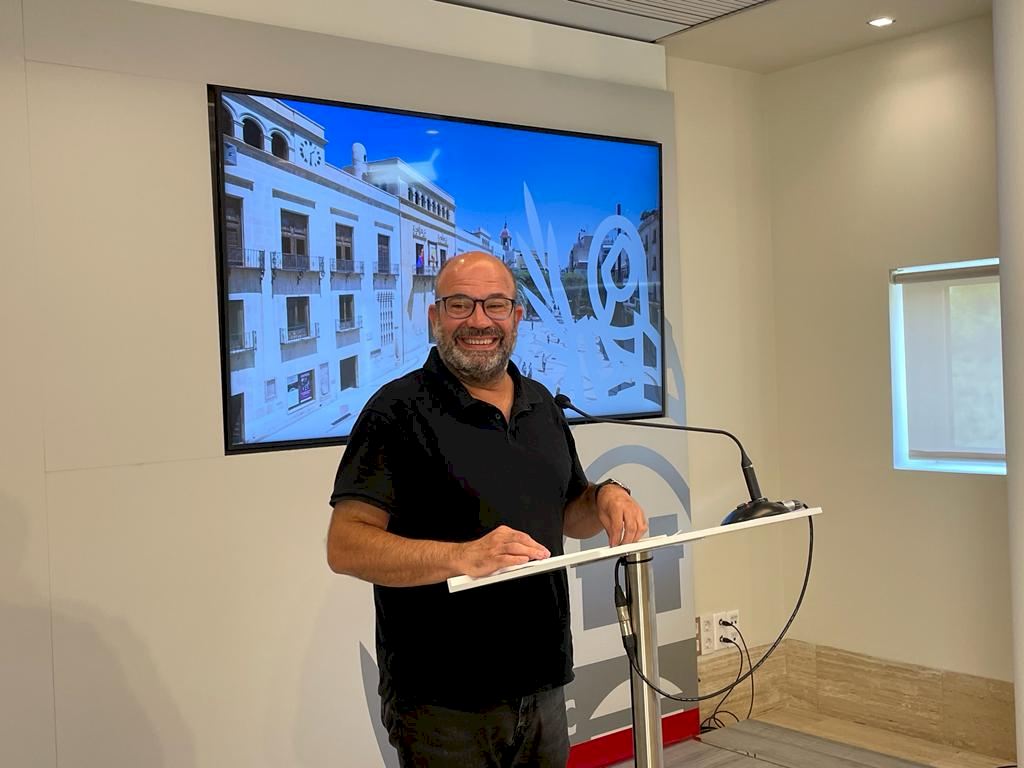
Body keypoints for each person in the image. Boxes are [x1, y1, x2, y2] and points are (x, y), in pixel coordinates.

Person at [326, 251, 648, 767]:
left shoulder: (542, 405)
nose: (479, 321)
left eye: (495, 305)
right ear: (435, 317)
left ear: (516, 317)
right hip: (442, 702)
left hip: (542, 683)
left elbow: (571, 512)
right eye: (460, 305)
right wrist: (463, 557)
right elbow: (345, 545)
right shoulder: (396, 411)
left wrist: (606, 494)